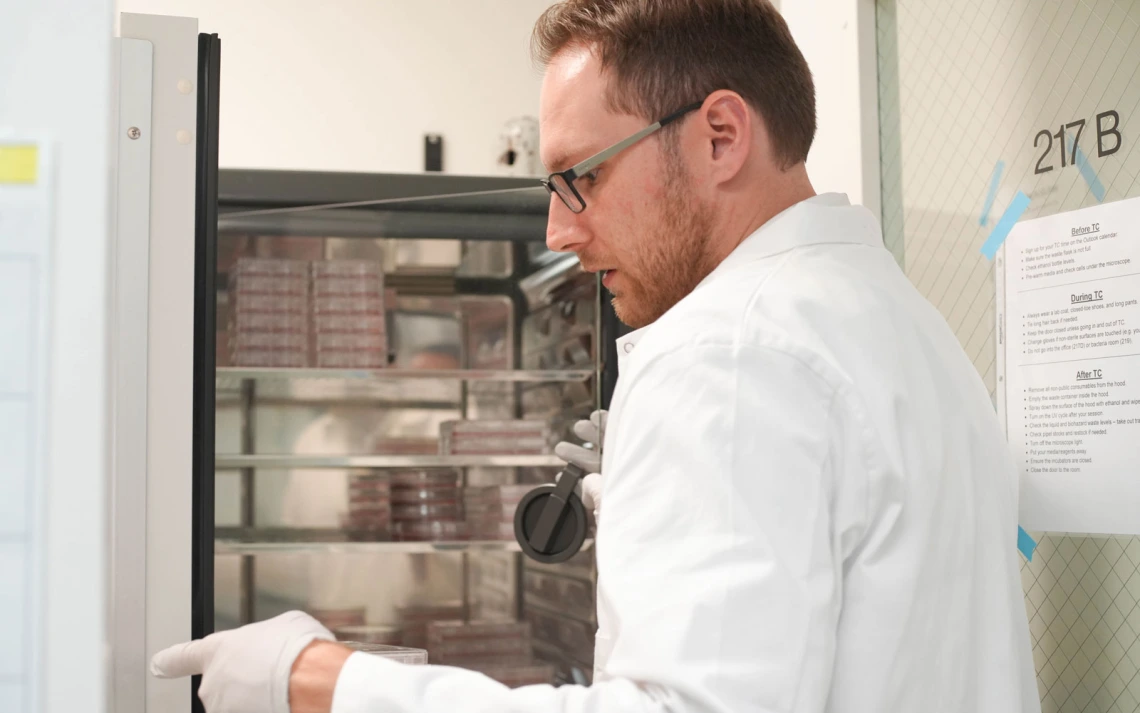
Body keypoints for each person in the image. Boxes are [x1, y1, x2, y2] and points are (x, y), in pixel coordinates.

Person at [150, 1, 1040, 711]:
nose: (558, 230)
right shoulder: (902, 321)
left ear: (721, 135)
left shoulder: (726, 352)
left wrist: (322, 681)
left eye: (584, 175)